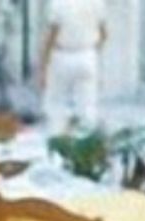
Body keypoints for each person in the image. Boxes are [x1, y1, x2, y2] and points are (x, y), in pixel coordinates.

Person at [37, 0, 107, 134]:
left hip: (62, 54)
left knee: (57, 103)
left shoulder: (58, 4)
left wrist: (43, 67)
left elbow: (51, 36)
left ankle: (57, 137)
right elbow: (104, 34)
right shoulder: (97, 3)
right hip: (87, 53)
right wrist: (93, 51)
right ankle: (86, 139)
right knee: (87, 105)